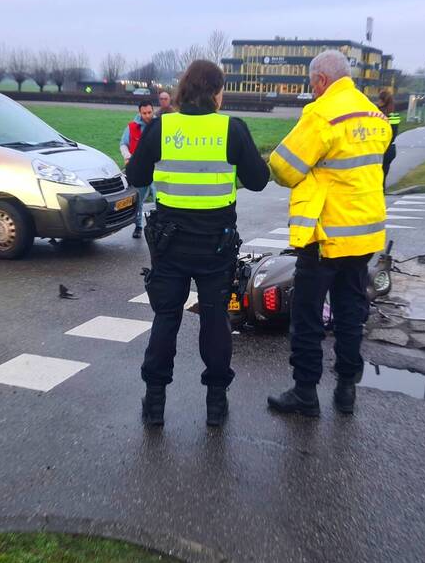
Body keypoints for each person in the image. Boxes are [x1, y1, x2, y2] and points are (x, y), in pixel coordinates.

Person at [126, 60, 269, 427]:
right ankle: (215, 404)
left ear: (184, 89)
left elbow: (136, 175)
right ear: (217, 93)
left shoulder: (163, 126)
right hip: (215, 248)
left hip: (170, 246)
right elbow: (258, 180)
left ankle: (154, 402)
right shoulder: (231, 130)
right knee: (215, 321)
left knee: (166, 319)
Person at [266, 50, 391, 417]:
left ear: (320, 80)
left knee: (306, 317)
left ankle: (305, 392)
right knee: (351, 313)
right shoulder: (374, 115)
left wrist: (311, 170)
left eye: (311, 84)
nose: (312, 90)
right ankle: (346, 389)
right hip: (363, 235)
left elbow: (283, 167)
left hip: (325, 236)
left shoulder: (321, 114)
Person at [120, 100, 156, 238]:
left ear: (153, 111)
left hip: (157, 169)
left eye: (149, 112)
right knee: (139, 200)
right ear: (139, 113)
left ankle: (158, 226)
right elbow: (123, 144)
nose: (147, 115)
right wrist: (127, 156)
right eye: (144, 113)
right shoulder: (132, 127)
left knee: (158, 198)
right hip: (140, 169)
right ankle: (138, 226)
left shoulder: (159, 125)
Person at [378, 89, 401, 183]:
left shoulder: (378, 114)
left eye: (379, 100)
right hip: (391, 149)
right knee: (383, 175)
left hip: (382, 148)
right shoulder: (395, 115)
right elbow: (393, 133)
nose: (377, 102)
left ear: (383, 101)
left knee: (377, 178)